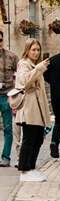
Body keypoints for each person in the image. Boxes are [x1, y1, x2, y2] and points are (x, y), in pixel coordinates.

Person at [14, 40, 51, 182]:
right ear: (27, 50)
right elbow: (23, 81)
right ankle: (24, 169)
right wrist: (39, 68)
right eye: (33, 50)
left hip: (37, 107)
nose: (36, 52)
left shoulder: (34, 65)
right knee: (29, 139)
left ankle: (31, 167)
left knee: (37, 139)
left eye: (38, 50)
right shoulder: (24, 64)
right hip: (29, 108)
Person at [0, 32, 19, 166]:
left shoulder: (11, 57)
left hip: (7, 95)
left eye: (0, 40)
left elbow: (19, 74)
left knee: (8, 128)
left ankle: (6, 157)